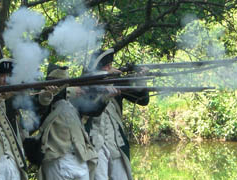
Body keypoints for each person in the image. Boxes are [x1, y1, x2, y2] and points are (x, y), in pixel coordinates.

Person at [25, 63, 114, 180]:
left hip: (80, 157)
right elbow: (43, 102)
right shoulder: (44, 97)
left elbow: (93, 111)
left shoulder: (73, 101)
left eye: (66, 83)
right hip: (56, 157)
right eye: (61, 83)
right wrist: (67, 91)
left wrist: (105, 98)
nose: (65, 86)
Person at [85, 48, 150, 180]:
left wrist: (141, 79)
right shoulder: (86, 85)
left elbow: (143, 100)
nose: (110, 68)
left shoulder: (116, 82)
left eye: (110, 65)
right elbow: (89, 106)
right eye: (106, 66)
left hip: (116, 144)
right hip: (94, 145)